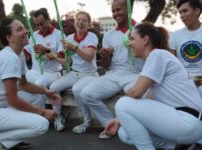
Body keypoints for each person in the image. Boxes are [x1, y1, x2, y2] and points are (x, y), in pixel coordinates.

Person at [103, 22, 202, 150]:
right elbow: (149, 98)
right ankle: (176, 146)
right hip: (184, 124)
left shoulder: (157, 55)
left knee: (122, 103)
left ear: (145, 40)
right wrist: (118, 119)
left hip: (187, 121)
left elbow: (136, 93)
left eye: (132, 39)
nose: (129, 43)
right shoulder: (156, 58)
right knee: (126, 134)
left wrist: (119, 113)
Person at [0, 18, 61, 150]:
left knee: (35, 97)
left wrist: (46, 92)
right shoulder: (9, 58)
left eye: (24, 28)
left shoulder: (18, 55)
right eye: (19, 29)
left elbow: (23, 85)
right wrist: (43, 112)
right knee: (41, 124)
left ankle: (3, 137)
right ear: (9, 38)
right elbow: (12, 99)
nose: (26, 31)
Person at [72, 0, 143, 138]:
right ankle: (110, 124)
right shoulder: (109, 34)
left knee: (141, 97)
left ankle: (138, 130)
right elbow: (105, 65)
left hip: (136, 74)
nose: (116, 14)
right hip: (114, 73)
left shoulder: (142, 28)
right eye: (113, 11)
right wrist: (105, 55)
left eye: (119, 10)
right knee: (87, 93)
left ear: (128, 9)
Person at [49, 11, 99, 132]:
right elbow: (68, 62)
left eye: (84, 20)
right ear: (75, 22)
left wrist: (74, 48)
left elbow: (89, 57)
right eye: (78, 20)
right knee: (53, 88)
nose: (80, 22)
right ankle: (58, 118)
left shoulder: (92, 37)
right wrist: (54, 57)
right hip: (74, 73)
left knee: (77, 89)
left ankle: (87, 122)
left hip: (90, 74)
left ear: (88, 24)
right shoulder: (69, 38)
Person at [24, 8, 63, 108]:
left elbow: (63, 58)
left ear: (48, 20)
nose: (40, 27)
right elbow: (26, 54)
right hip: (35, 72)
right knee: (17, 80)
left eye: (42, 23)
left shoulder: (59, 34)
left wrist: (47, 50)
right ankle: (27, 111)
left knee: (39, 83)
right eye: (37, 25)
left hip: (52, 73)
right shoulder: (34, 35)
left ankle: (44, 114)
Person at [169, 0, 202, 96]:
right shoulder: (175, 35)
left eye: (185, 11)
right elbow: (172, 64)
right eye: (180, 12)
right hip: (182, 81)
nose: (182, 15)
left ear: (197, 11)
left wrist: (197, 81)